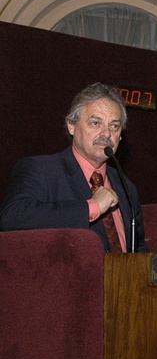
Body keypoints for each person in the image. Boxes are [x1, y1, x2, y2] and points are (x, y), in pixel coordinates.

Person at [0, 82, 148, 252]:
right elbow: (11, 217)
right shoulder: (42, 170)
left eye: (114, 126)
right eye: (95, 123)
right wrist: (91, 207)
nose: (106, 133)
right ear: (71, 126)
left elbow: (138, 246)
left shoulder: (126, 186)